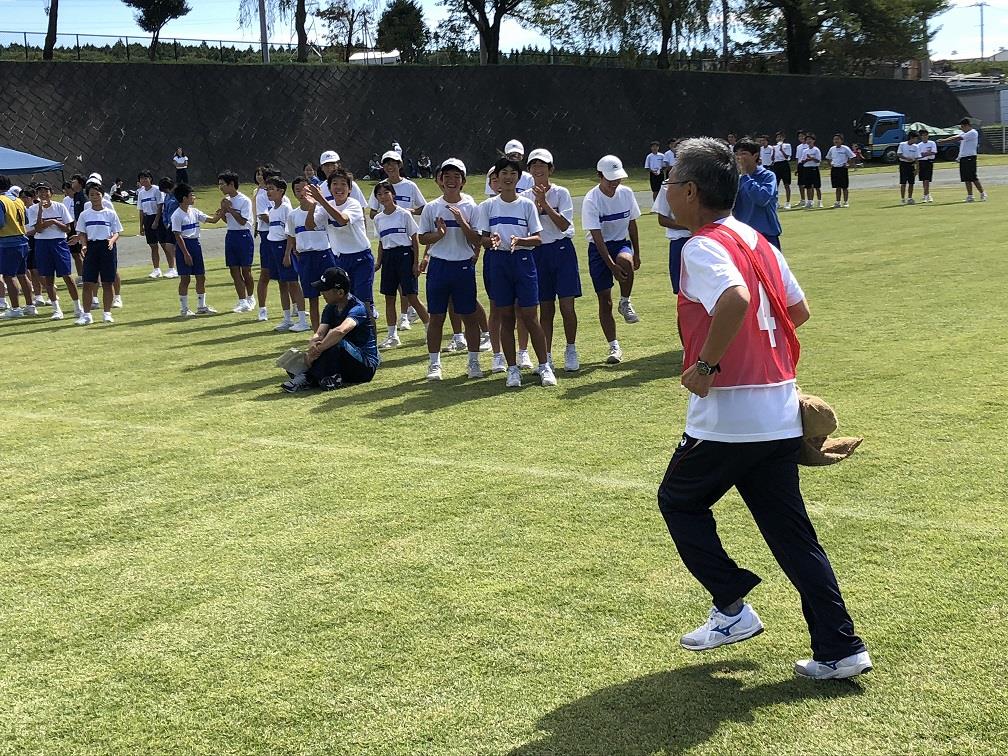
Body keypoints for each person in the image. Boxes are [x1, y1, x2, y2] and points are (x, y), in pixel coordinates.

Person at [657, 136, 872, 680]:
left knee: (679, 501)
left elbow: (735, 299)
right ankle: (840, 648)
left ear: (689, 191)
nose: (665, 191)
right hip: (777, 410)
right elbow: (797, 312)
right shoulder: (756, 239)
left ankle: (732, 604)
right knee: (793, 537)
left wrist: (706, 366)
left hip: (729, 417)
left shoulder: (701, 246)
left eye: (670, 181)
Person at [474, 156, 556, 388]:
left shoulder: (527, 204)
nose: (508, 177)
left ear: (518, 177)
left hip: (523, 261)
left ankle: (544, 366)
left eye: (512, 173)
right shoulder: (487, 207)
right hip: (499, 263)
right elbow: (483, 239)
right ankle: (512, 369)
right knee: (506, 316)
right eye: (503, 173)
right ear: (496, 179)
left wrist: (520, 240)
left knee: (530, 316)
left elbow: (538, 239)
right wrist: (492, 240)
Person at [417, 158, 483, 381]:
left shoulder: (471, 207)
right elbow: (422, 237)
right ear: (440, 180)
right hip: (439, 266)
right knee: (436, 317)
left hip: (463, 266)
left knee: (469, 316)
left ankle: (473, 362)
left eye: (456, 177)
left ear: (463, 181)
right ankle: (434, 364)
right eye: (447, 177)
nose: (451, 181)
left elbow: (477, 238)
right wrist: (439, 235)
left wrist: (462, 221)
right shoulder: (432, 207)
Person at [522, 148, 581, 372]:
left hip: (562, 249)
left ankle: (571, 349)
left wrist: (544, 203)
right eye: (534, 166)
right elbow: (528, 228)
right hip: (538, 253)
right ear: (529, 170)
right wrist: (536, 205)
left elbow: (564, 225)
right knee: (545, 309)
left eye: (543, 166)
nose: (538, 169)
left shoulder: (561, 193)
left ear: (550, 169)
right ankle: (545, 357)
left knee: (567, 306)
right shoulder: (525, 197)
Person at [581, 155, 642, 365]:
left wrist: (637, 253)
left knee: (625, 259)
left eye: (618, 179)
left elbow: (632, 223)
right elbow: (597, 238)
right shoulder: (591, 199)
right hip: (599, 250)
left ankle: (625, 302)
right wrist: (611, 266)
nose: (615, 183)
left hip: (620, 243)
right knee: (604, 301)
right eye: (610, 179)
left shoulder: (626, 193)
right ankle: (614, 345)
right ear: (599, 176)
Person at [282, 267, 380, 392]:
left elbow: (340, 331)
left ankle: (308, 377)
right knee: (295, 359)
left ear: (340, 292)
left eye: (325, 290)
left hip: (364, 367)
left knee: (335, 340)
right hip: (342, 361)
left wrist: (317, 350)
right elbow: (320, 332)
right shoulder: (330, 308)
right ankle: (327, 377)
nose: (321, 293)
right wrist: (312, 346)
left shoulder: (358, 308)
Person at [367, 150, 427, 332]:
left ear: (400, 165)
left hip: (405, 244)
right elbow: (372, 213)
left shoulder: (410, 186)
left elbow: (422, 207)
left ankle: (409, 317)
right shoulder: (379, 189)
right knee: (391, 293)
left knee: (409, 291)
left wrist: (408, 212)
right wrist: (387, 216)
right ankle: (397, 326)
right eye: (386, 163)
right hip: (389, 248)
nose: (389, 166)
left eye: (393, 163)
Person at [306, 169, 374, 321]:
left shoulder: (353, 204)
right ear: (329, 188)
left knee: (363, 302)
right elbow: (310, 225)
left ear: (350, 189)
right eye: (335, 184)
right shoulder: (326, 205)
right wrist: (312, 207)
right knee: (344, 301)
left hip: (361, 258)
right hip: (340, 259)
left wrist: (321, 200)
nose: (339, 187)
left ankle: (370, 340)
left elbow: (342, 219)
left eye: (343, 184)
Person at [372, 180, 429, 349]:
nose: (383, 197)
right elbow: (382, 242)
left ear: (393, 195)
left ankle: (429, 328)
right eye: (379, 194)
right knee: (389, 297)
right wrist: (379, 261)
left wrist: (415, 262)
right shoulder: (378, 219)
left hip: (405, 255)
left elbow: (414, 239)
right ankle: (392, 335)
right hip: (389, 257)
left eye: (386, 193)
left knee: (411, 296)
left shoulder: (404, 214)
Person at [285, 176, 337, 332]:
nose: (302, 193)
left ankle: (334, 331)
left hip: (324, 255)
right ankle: (317, 335)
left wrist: (315, 204)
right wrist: (293, 253)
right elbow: (292, 237)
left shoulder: (322, 211)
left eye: (305, 189)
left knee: (332, 296)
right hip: (306, 258)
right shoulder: (293, 215)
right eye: (298, 190)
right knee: (312, 299)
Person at [28, 181, 81, 321]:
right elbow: (38, 229)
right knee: (48, 278)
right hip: (42, 243)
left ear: (51, 192)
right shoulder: (33, 209)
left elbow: (68, 229)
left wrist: (53, 222)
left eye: (46, 191)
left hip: (59, 242)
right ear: (37, 194)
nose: (43, 194)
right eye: (40, 191)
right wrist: (40, 210)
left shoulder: (60, 207)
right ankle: (56, 309)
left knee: (67, 276)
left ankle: (77, 306)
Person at [263, 176, 309, 333]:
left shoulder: (286, 209)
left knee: (293, 284)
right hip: (273, 248)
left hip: (284, 248)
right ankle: (287, 318)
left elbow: (290, 234)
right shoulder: (272, 209)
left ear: (281, 191)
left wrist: (288, 253)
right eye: (267, 189)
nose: (268, 192)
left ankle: (302, 319)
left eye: (271, 189)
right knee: (282, 283)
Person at [74, 182, 123, 325]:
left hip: (107, 247)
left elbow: (117, 232)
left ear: (102, 196)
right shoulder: (85, 214)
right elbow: (82, 233)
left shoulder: (110, 213)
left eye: (97, 194)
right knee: (88, 282)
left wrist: (112, 241)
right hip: (92, 247)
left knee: (108, 282)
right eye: (91, 195)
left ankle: (107, 313)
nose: (95, 197)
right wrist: (84, 245)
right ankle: (86, 314)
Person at [171, 183, 222, 317]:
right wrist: (186, 254)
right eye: (191, 195)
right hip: (185, 245)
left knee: (201, 276)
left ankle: (201, 306)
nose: (194, 197)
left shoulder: (194, 211)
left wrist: (223, 211)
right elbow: (178, 235)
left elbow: (212, 220)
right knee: (185, 278)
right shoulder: (177, 215)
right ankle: (184, 309)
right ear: (184, 198)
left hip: (195, 244)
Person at [217, 171, 256, 313]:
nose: (220, 187)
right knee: (234, 270)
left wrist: (230, 209)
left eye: (222, 184)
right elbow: (227, 220)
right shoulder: (225, 200)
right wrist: (222, 211)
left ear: (231, 184)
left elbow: (242, 221)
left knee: (246, 270)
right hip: (231, 235)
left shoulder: (244, 200)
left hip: (244, 236)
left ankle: (251, 297)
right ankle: (242, 301)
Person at [732, 138, 782, 250]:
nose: (739, 157)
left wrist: (745, 176)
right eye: (736, 154)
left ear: (755, 156)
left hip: (766, 235)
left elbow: (762, 199)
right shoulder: (736, 179)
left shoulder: (768, 176)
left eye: (743, 153)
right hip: (744, 235)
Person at [0, 174, 36, 319]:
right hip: (22, 240)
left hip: (7, 242)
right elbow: (25, 219)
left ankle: (15, 309)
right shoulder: (18, 200)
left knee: (9, 276)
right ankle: (30, 306)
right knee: (22, 274)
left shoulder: (1, 201)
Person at [652, 176, 691, 295]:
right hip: (680, 242)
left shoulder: (704, 181)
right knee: (681, 291)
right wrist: (690, 226)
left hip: (703, 239)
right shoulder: (668, 186)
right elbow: (662, 219)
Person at [253, 165, 281, 321]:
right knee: (265, 274)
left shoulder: (283, 198)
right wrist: (279, 223)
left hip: (281, 237)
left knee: (286, 276)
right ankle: (262, 309)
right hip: (268, 236)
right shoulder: (261, 195)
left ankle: (296, 307)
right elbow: (263, 216)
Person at [938, 118, 987, 202]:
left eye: (963, 126)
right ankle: (970, 196)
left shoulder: (973, 133)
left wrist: (943, 141)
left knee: (973, 177)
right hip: (963, 158)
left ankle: (982, 193)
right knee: (966, 178)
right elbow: (957, 139)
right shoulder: (964, 133)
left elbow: (957, 138)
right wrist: (959, 157)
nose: (962, 128)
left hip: (970, 157)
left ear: (967, 125)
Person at [136, 170, 165, 278]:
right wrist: (141, 226)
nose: (144, 180)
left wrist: (156, 221)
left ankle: (172, 267)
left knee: (164, 244)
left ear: (150, 178)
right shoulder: (141, 193)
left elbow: (160, 206)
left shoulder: (156, 190)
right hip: (148, 219)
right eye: (141, 178)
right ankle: (156, 269)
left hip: (157, 217)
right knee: (153, 245)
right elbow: (141, 210)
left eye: (146, 178)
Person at [156, 177, 179, 278]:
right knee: (169, 246)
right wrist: (165, 221)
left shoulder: (178, 195)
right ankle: (175, 268)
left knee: (174, 246)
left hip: (178, 223)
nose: (165, 192)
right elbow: (165, 210)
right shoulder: (167, 196)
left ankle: (179, 267)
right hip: (170, 224)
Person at [824, 133, 855, 208]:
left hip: (843, 169)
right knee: (837, 187)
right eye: (834, 139)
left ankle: (846, 202)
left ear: (841, 140)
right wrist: (830, 165)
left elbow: (852, 157)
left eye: (837, 139)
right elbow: (828, 158)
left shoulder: (845, 148)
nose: (836, 141)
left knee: (844, 187)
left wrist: (848, 164)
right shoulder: (832, 149)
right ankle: (838, 202)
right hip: (835, 169)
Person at [798, 134, 822, 209]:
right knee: (808, 186)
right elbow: (802, 161)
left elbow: (818, 160)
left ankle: (819, 201)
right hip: (806, 169)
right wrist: (806, 160)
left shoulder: (816, 150)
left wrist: (811, 158)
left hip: (814, 168)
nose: (808, 141)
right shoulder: (805, 151)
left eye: (810, 139)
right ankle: (810, 201)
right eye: (807, 140)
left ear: (813, 140)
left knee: (817, 186)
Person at [771, 131, 793, 209]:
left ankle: (788, 203)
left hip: (784, 164)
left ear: (783, 138)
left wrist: (781, 150)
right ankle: (776, 203)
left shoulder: (787, 145)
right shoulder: (773, 147)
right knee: (775, 185)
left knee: (786, 184)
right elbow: (772, 159)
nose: (779, 138)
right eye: (778, 137)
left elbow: (787, 157)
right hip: (777, 165)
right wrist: (773, 151)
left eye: (780, 137)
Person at [897, 131, 919, 205]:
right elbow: (899, 154)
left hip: (911, 165)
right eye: (915, 138)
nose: (916, 140)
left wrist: (917, 169)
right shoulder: (902, 144)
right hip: (903, 165)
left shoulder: (916, 147)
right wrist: (906, 158)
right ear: (911, 138)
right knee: (903, 183)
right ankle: (902, 199)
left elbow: (917, 158)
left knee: (911, 183)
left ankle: (910, 198)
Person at [916, 128, 938, 203]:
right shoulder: (919, 145)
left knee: (927, 180)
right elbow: (919, 155)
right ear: (921, 136)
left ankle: (925, 196)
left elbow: (934, 152)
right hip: (921, 162)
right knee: (923, 179)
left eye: (926, 135)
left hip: (929, 162)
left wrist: (924, 154)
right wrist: (927, 153)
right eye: (923, 135)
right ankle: (927, 194)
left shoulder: (932, 143)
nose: (925, 137)